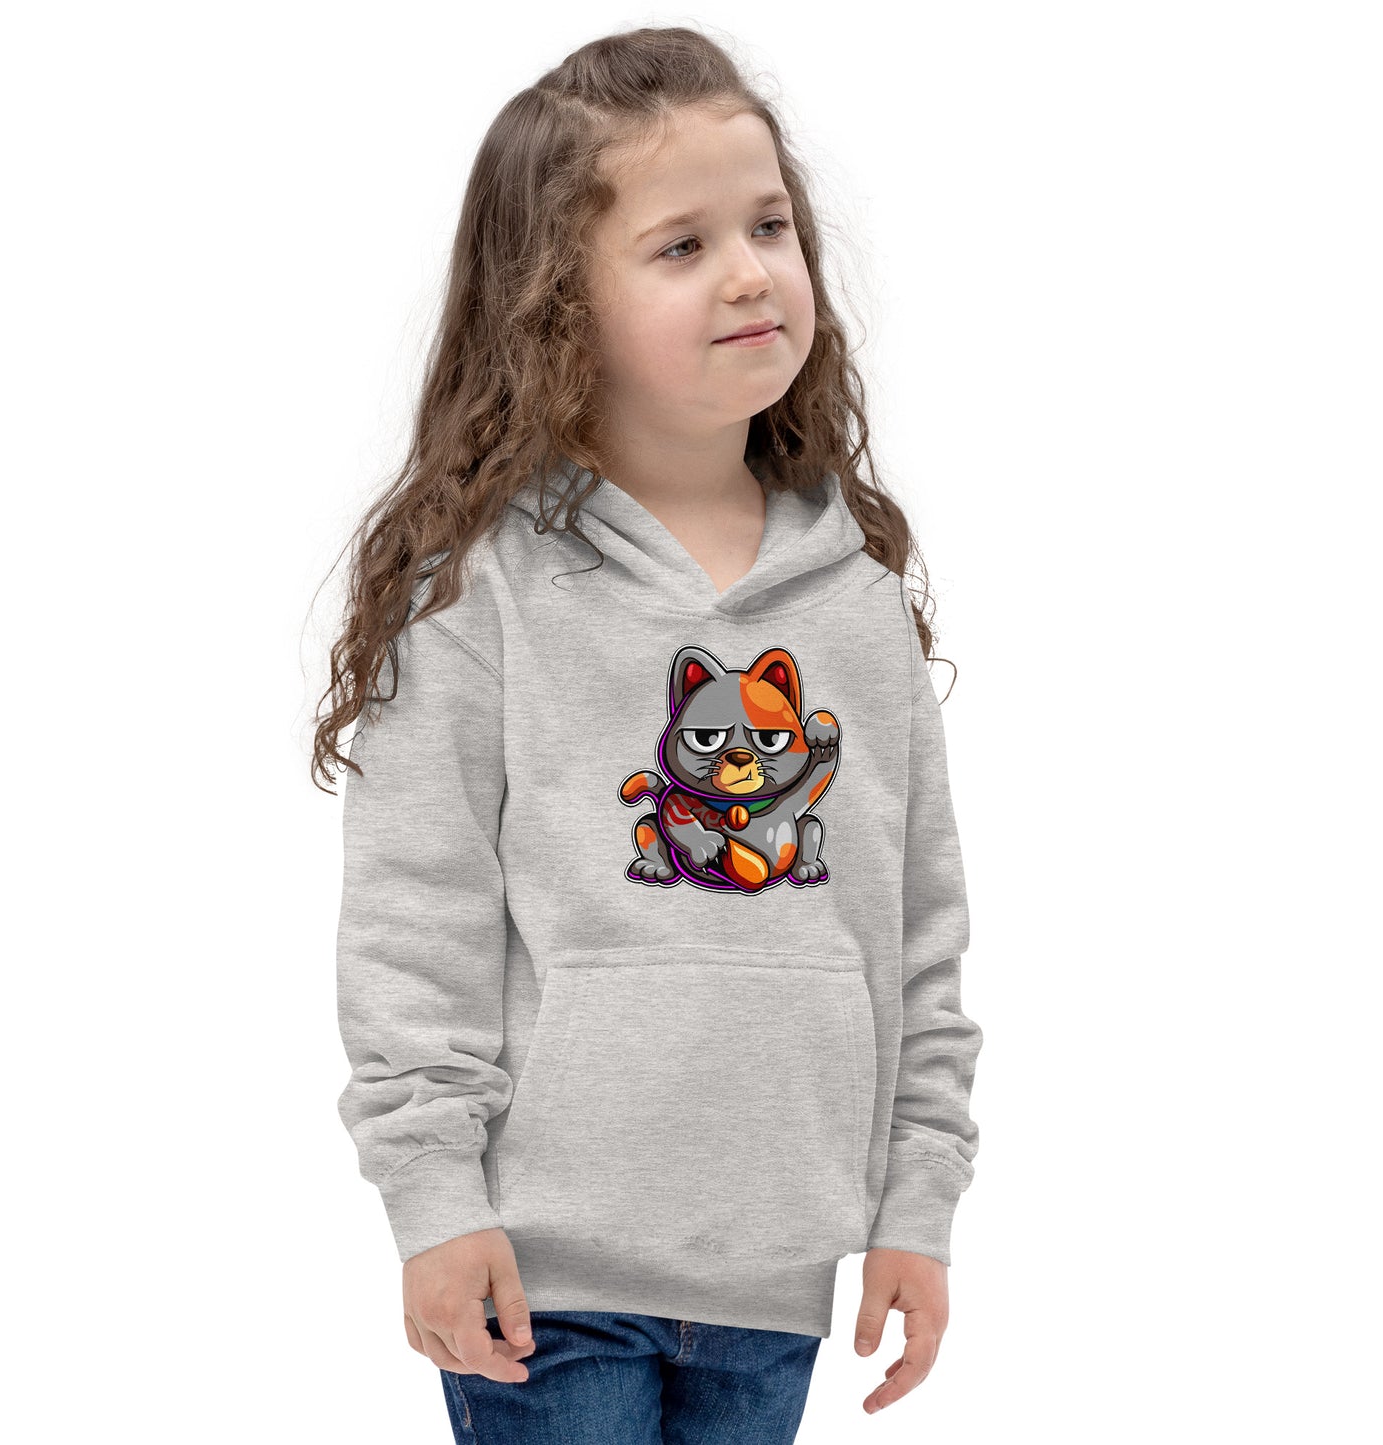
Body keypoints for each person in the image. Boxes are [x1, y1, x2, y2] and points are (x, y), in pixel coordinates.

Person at [313, 24, 983, 1442]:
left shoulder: (859, 601)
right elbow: (415, 921)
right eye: (681, 246)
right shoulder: (482, 588)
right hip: (539, 1275)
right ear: (556, 304)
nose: (750, 271)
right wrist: (433, 1200)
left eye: (769, 226)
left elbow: (918, 931)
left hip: (780, 1276)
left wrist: (915, 1205)